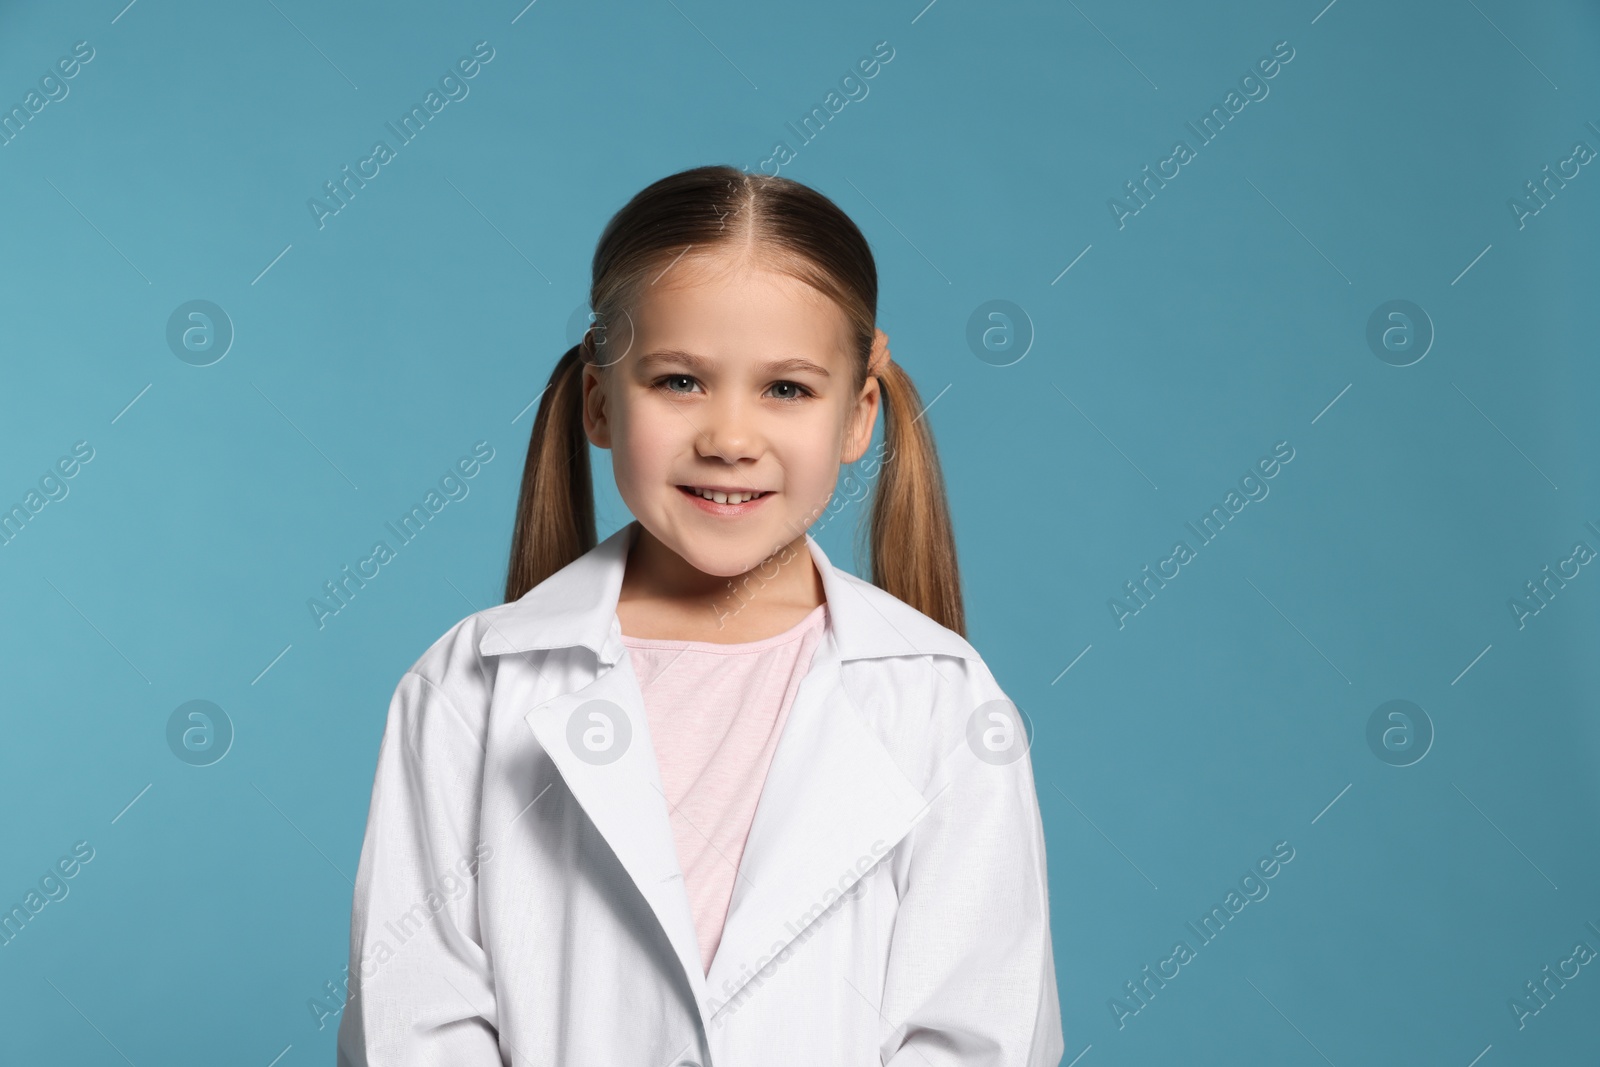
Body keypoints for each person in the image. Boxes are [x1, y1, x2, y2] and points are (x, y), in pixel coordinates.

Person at [336, 164, 1064, 1066]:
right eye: (679, 380)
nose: (728, 437)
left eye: (787, 389)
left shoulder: (943, 702)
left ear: (858, 414)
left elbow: (978, 1029)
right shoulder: (469, 687)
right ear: (602, 400)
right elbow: (416, 1022)